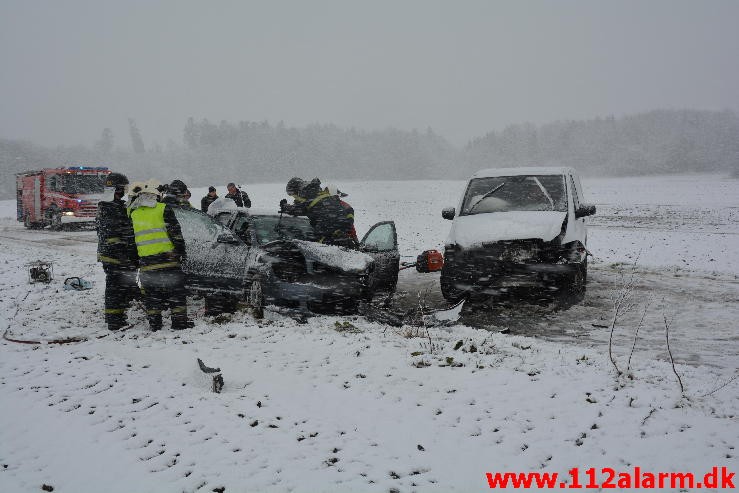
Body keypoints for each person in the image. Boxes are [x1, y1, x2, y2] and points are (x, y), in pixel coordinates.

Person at [127, 179, 191, 331]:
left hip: (147, 263)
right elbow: (176, 234)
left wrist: (135, 260)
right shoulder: (163, 209)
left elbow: (131, 241)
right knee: (176, 293)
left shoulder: (134, 214)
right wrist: (181, 252)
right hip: (168, 260)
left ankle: (155, 325)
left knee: (152, 295)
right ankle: (179, 323)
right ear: (156, 196)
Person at [96, 172, 139, 331]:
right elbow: (113, 235)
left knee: (118, 288)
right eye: (123, 189)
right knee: (115, 290)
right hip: (114, 256)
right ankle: (114, 321)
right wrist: (123, 255)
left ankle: (116, 317)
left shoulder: (113, 205)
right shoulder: (109, 207)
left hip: (115, 255)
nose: (124, 192)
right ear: (116, 189)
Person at [279, 177, 355, 247]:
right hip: (342, 224)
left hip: (327, 226)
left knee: (318, 246)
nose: (294, 198)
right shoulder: (317, 191)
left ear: (297, 190)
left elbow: (298, 209)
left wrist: (284, 206)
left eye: (293, 195)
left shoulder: (306, 194)